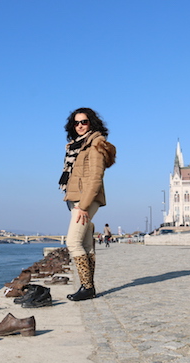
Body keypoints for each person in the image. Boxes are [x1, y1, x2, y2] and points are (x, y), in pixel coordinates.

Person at [59, 107, 116, 301]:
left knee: (72, 242)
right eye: (76, 123)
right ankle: (88, 287)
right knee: (85, 244)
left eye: (84, 122)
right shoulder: (75, 146)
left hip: (85, 199)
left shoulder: (95, 144)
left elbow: (95, 178)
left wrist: (83, 206)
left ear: (91, 123)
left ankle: (87, 287)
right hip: (74, 197)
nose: (80, 126)